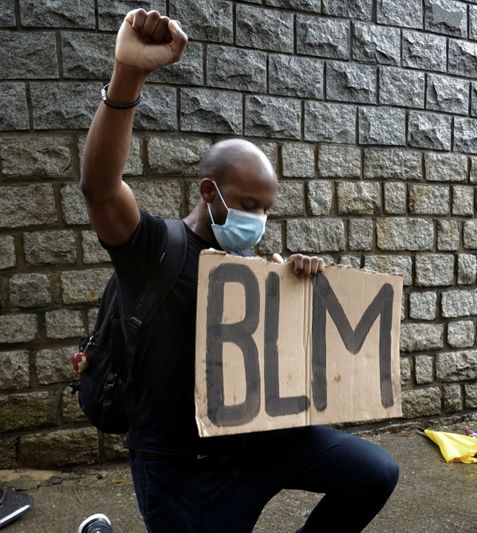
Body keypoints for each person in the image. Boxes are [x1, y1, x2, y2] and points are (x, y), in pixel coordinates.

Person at [80, 10, 398, 532]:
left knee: (374, 473)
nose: (260, 219)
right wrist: (128, 75)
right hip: (182, 467)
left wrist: (301, 285)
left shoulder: (254, 270)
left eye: (268, 208)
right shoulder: (155, 248)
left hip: (264, 443)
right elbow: (100, 187)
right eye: (250, 203)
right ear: (210, 192)